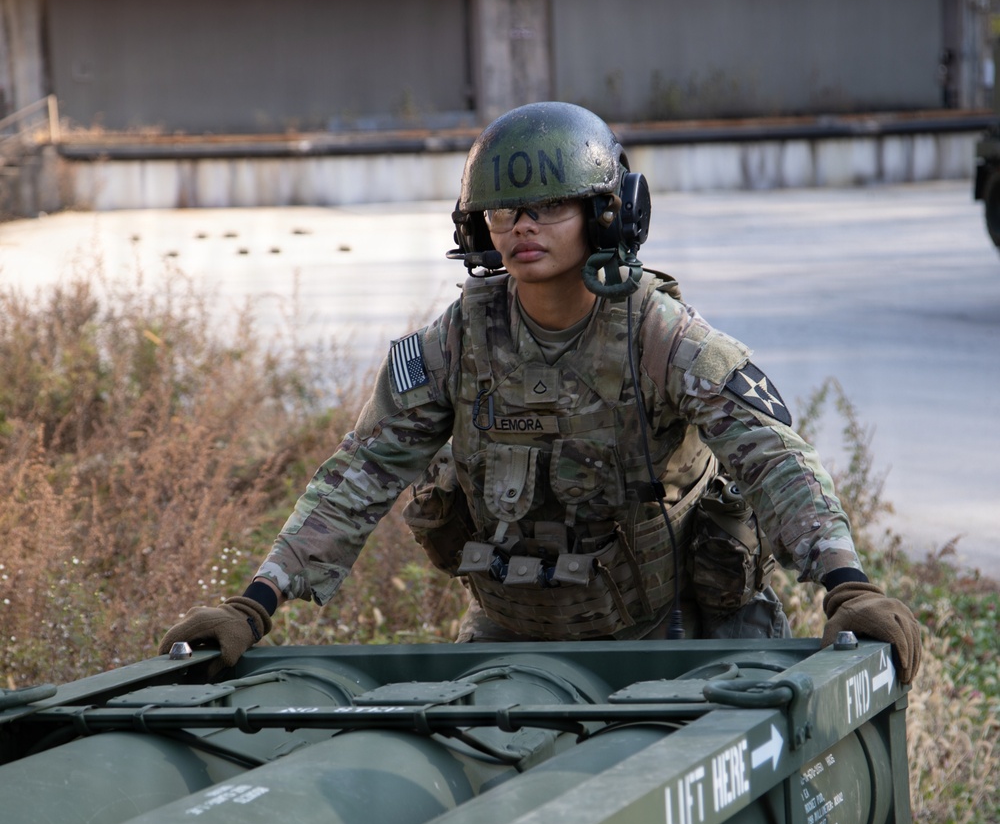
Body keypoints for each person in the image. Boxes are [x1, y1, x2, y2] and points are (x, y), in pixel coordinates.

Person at [159, 101, 921, 681]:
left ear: (605, 213)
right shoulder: (458, 339)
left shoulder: (660, 334)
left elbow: (772, 457)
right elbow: (360, 472)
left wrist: (846, 585)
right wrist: (252, 605)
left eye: (551, 206)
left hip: (680, 631)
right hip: (518, 633)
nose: (523, 228)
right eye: (504, 211)